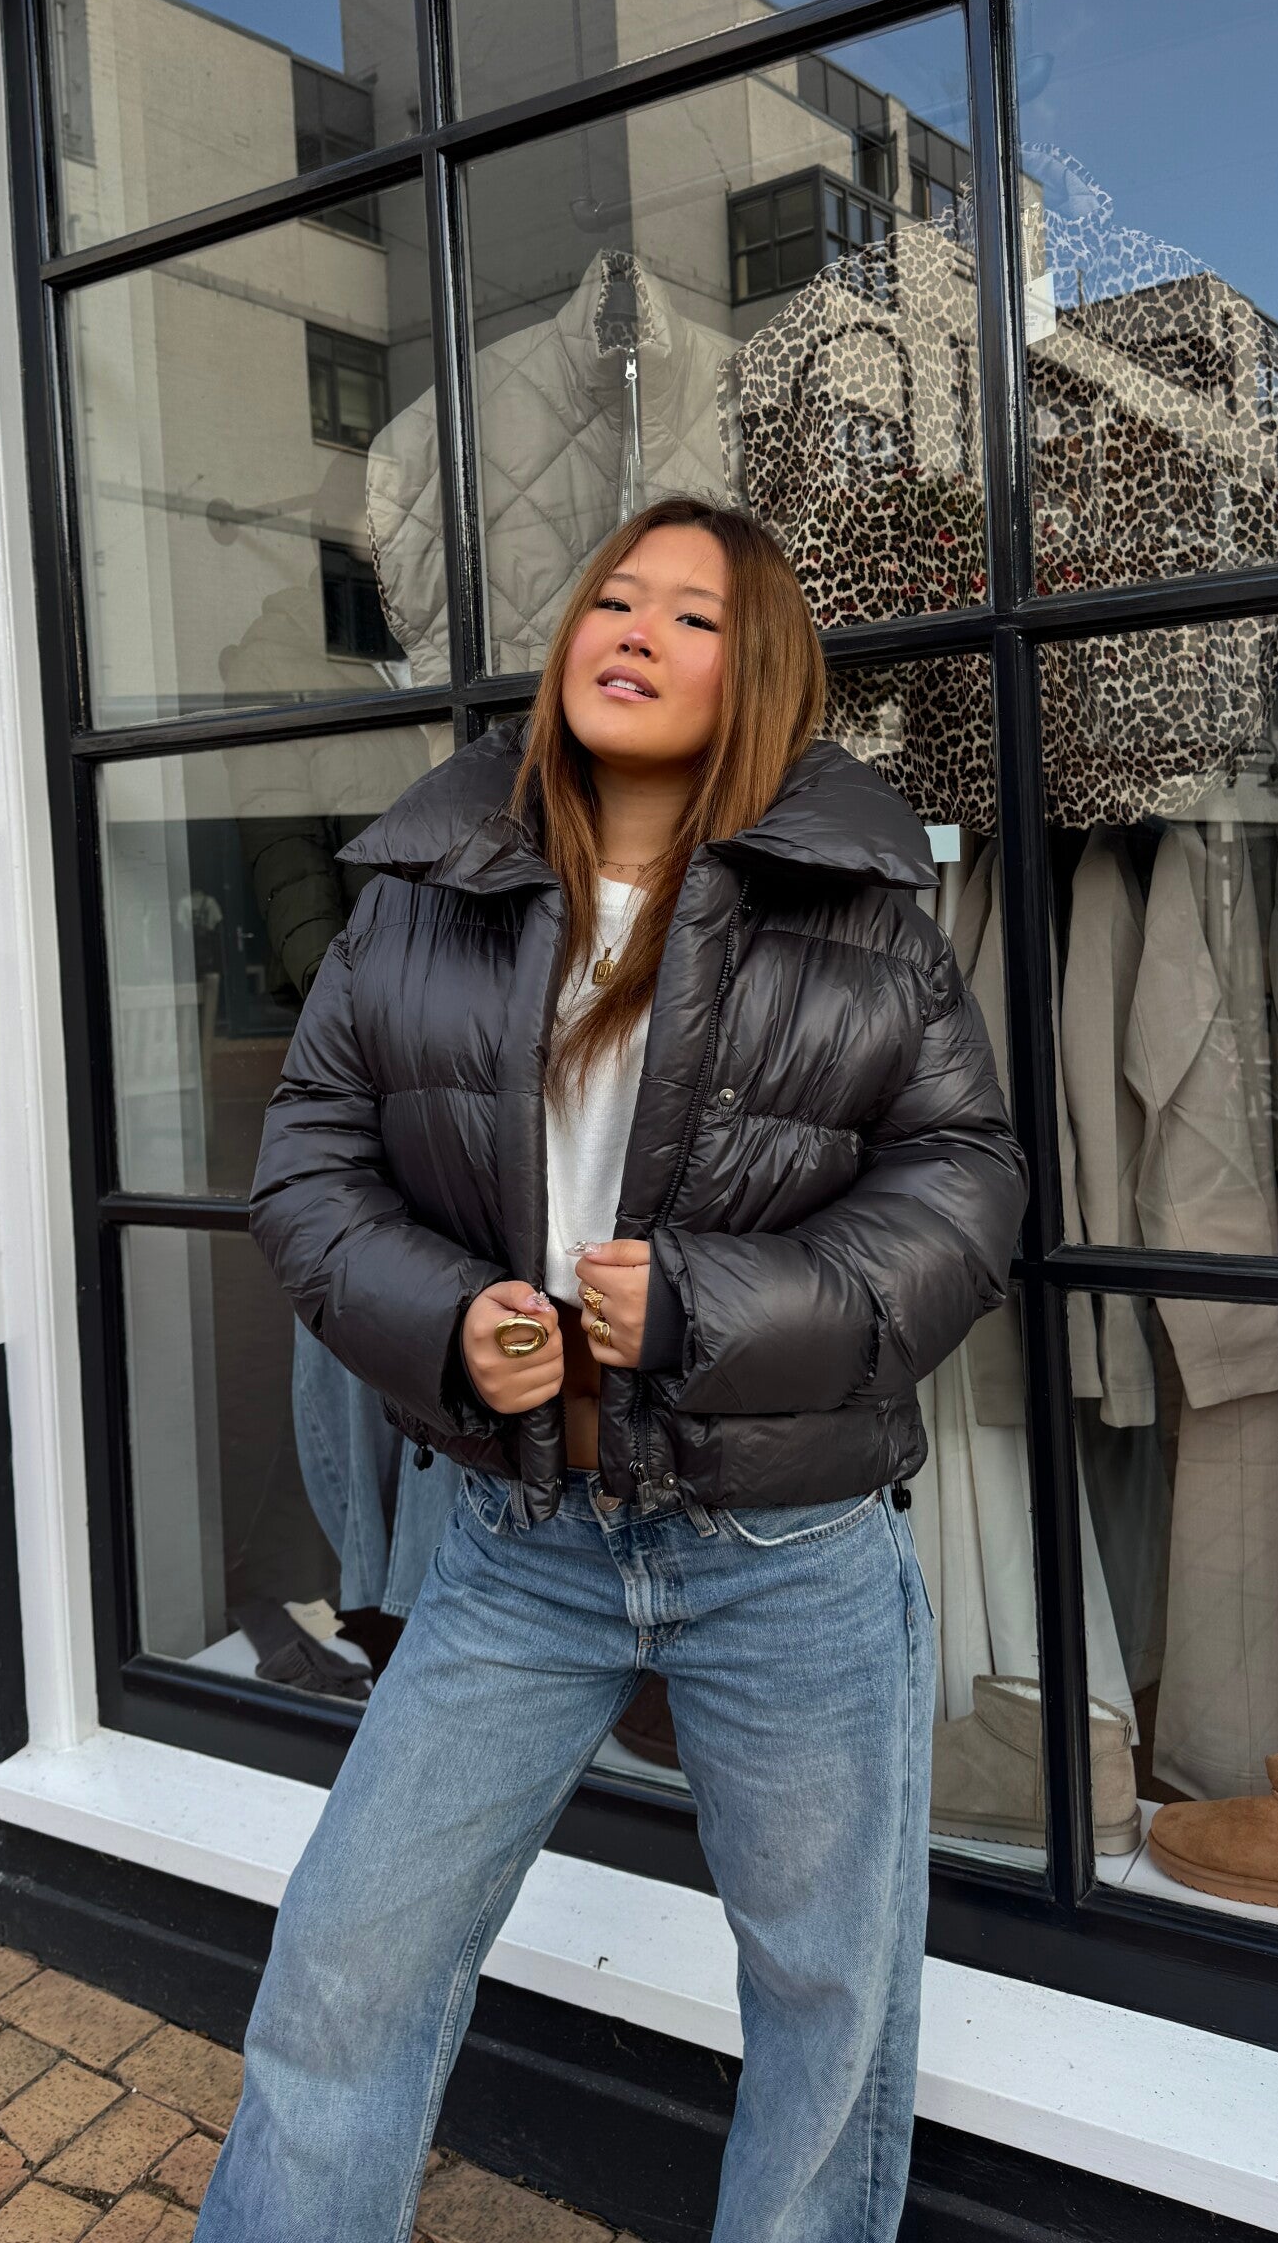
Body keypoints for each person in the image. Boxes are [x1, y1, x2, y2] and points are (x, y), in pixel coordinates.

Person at [195, 497, 1027, 2242]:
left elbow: (963, 1196)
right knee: (348, 1962)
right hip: (520, 1544)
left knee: (826, 2009)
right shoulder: (426, 890)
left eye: (695, 617)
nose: (637, 630)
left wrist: (706, 1308)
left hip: (790, 1553)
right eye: (616, 600)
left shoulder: (864, 908)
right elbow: (310, 1168)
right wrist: (450, 1323)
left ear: (759, 676)